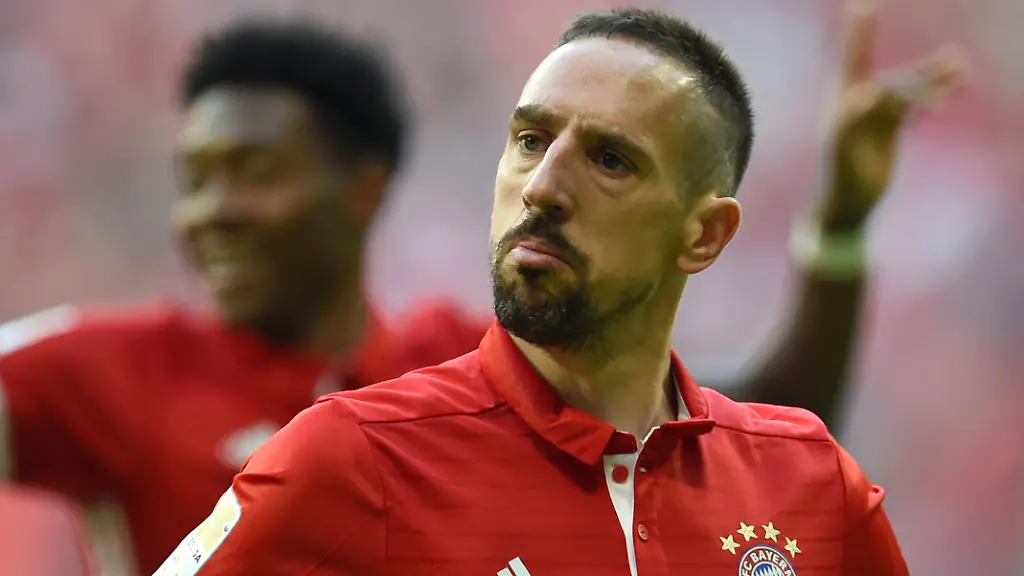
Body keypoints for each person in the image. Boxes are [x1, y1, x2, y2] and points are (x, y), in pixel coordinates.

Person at [5, 5, 960, 574]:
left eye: (610, 159)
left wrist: (839, 230)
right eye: (530, 141)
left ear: (704, 234)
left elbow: (775, 417)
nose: (544, 185)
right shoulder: (333, 451)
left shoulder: (805, 480)